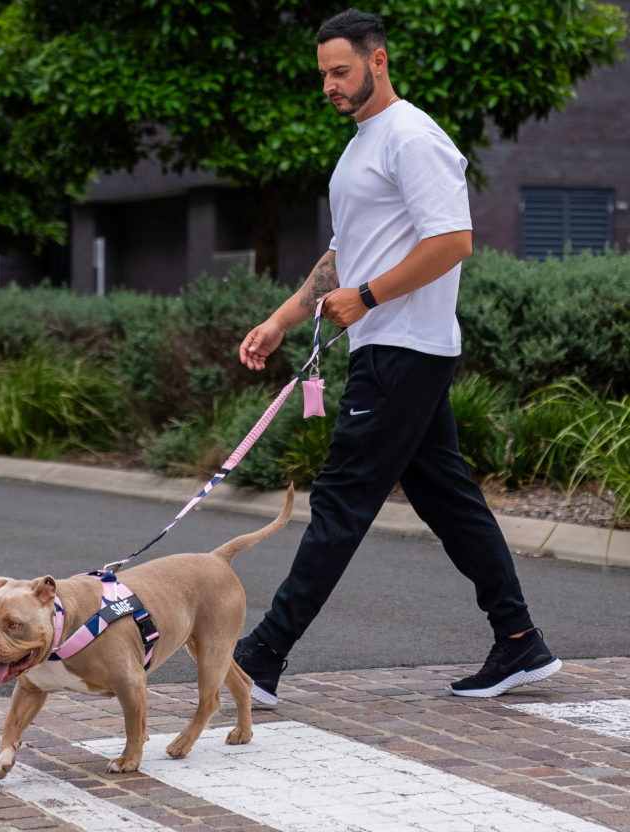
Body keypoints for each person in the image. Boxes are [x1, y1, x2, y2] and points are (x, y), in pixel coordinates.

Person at [233, 8, 562, 703]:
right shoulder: (361, 146)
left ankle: (260, 655)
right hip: (393, 346)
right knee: (449, 500)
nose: (329, 84)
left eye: (341, 70)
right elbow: (343, 255)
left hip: (402, 350)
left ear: (377, 61)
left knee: (342, 500)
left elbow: (453, 240)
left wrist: (370, 298)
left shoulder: (412, 136)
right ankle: (519, 642)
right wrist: (283, 318)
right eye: (323, 73)